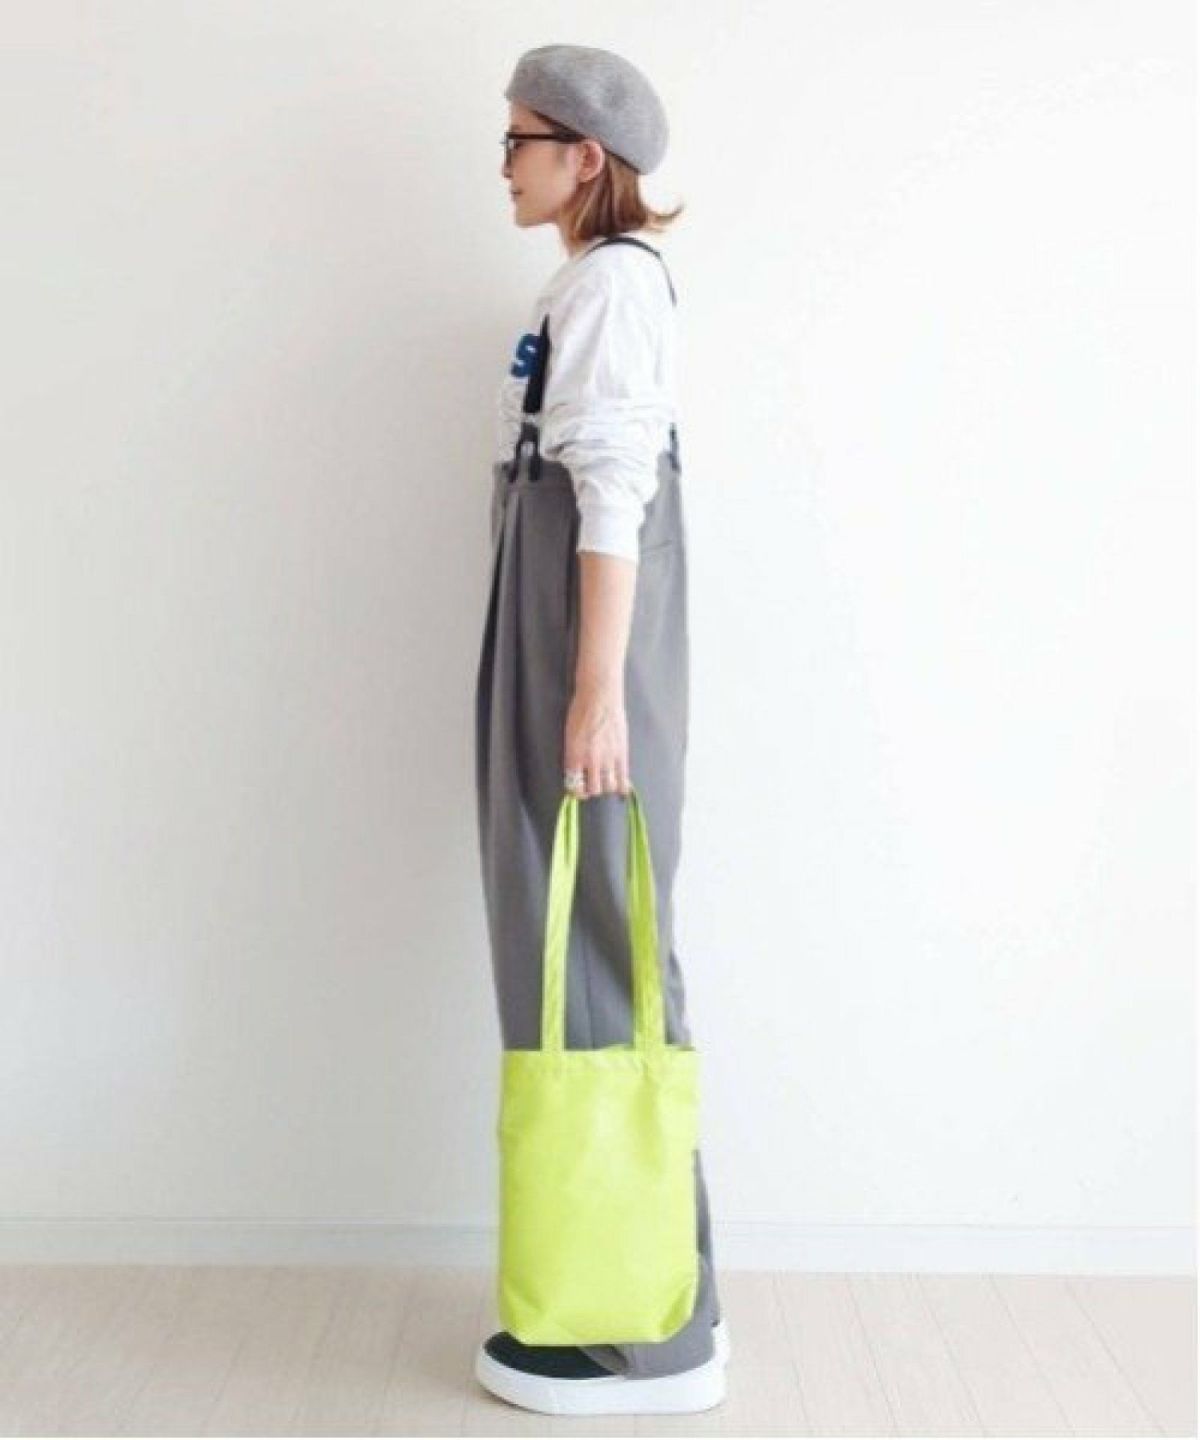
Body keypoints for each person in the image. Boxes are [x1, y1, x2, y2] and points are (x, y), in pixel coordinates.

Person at [473, 43, 729, 1417]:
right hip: (554, 622)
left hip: (583, 633)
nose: (504, 164)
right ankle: (611, 1289)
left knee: (603, 944)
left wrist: (594, 688)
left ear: (585, 157)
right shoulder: (581, 284)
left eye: (520, 140)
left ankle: (645, 1332)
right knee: (565, 937)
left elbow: (617, 487)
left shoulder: (618, 287)